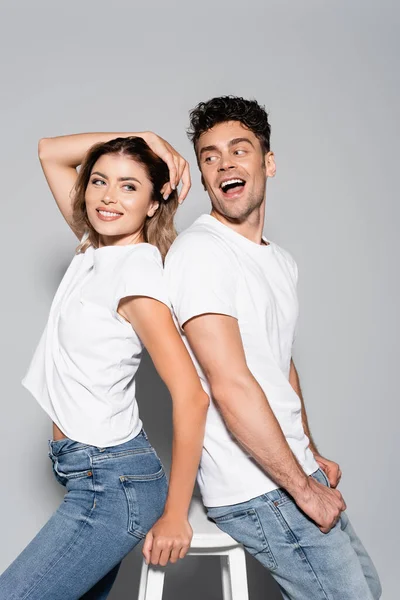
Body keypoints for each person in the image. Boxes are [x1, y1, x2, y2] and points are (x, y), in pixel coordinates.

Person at [164, 96, 382, 599]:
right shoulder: (202, 254)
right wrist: (302, 488)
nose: (225, 165)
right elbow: (230, 385)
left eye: (239, 150)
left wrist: (311, 453)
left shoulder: (279, 261)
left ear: (269, 162)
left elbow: (280, 369)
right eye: (210, 156)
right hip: (252, 486)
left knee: (369, 587)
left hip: (288, 466)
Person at [0, 131, 209, 600]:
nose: (109, 196)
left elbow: (192, 395)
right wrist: (147, 136)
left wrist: (176, 513)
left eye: (130, 186)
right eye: (98, 181)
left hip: (113, 485)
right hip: (87, 470)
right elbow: (49, 152)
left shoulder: (135, 272)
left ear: (155, 203)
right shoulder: (94, 249)